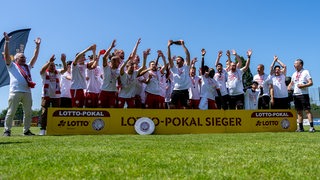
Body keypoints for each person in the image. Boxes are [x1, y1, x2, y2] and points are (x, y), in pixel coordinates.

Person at [2, 32, 41, 136]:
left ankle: (26, 131)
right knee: (11, 112)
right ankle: (7, 130)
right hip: (15, 91)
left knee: (28, 112)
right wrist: (6, 41)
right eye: (21, 57)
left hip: (27, 91)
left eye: (24, 57)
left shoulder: (28, 67)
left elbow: (35, 57)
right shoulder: (11, 66)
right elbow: (6, 55)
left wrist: (37, 46)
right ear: (15, 59)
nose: (24, 59)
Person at [39, 54, 67, 135]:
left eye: (53, 65)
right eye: (50, 65)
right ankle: (43, 129)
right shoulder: (45, 74)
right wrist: (49, 61)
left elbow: (65, 69)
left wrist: (63, 61)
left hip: (56, 96)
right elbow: (41, 70)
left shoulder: (57, 72)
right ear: (47, 66)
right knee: (44, 113)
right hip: (46, 95)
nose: (52, 66)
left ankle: (56, 128)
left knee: (56, 112)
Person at [287, 59, 315, 132]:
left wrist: (303, 86)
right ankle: (300, 128)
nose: (294, 65)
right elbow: (292, 83)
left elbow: (311, 83)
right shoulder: (294, 74)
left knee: (307, 111)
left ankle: (312, 127)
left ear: (301, 65)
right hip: (296, 95)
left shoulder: (306, 72)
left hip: (303, 94)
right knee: (299, 112)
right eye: (294, 63)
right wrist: (289, 86)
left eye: (296, 63)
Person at [167, 40, 191, 109]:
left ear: (183, 61)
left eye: (179, 59)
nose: (177, 60)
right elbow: (169, 58)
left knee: (186, 107)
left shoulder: (186, 67)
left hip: (185, 90)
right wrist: (168, 47)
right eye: (176, 59)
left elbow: (188, 55)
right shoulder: (174, 69)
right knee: (171, 106)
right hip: (176, 90)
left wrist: (183, 45)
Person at [98, 40, 120, 108]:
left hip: (113, 92)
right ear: (113, 62)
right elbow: (104, 57)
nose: (119, 63)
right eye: (118, 62)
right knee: (101, 108)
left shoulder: (118, 71)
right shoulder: (106, 68)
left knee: (112, 109)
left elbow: (120, 81)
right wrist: (111, 47)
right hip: (104, 91)